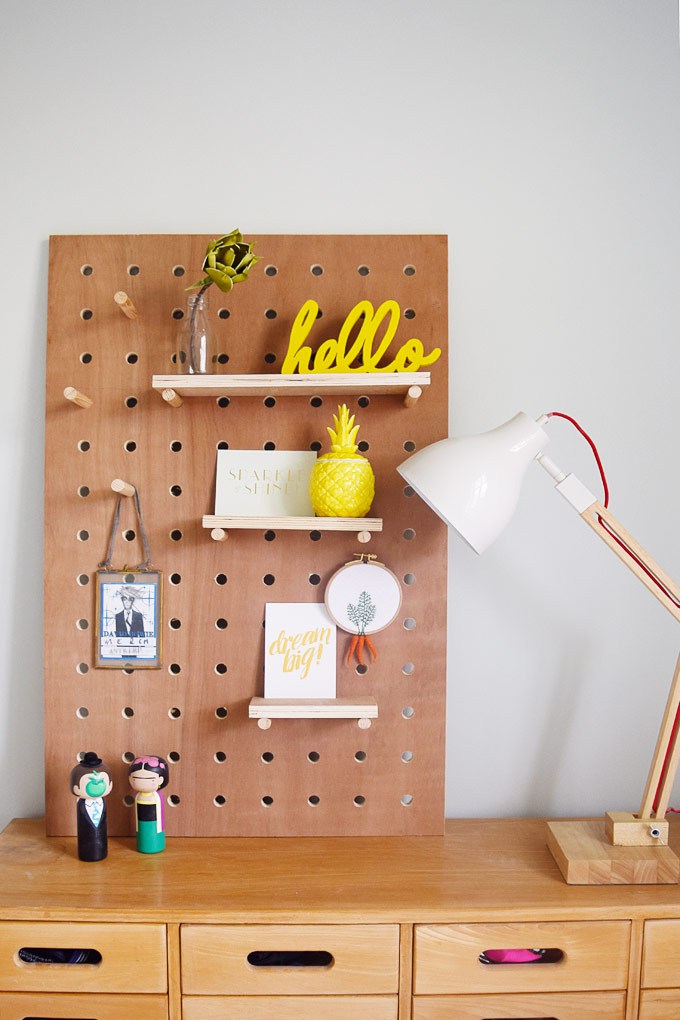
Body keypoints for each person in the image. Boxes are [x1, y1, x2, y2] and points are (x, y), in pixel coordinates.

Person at [70, 752, 113, 861]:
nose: (98, 786)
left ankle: (102, 852)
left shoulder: (103, 802)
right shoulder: (81, 804)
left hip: (101, 846)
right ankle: (87, 854)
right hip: (85, 846)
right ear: (76, 788)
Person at [128, 755, 170, 853]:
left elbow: (160, 816)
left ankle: (155, 845)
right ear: (130, 779)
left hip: (156, 827)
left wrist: (160, 828)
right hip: (142, 826)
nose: (142, 782)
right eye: (135, 778)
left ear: (161, 780)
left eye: (150, 779)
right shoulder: (138, 796)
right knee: (143, 833)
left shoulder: (156, 796)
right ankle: (144, 845)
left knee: (152, 835)